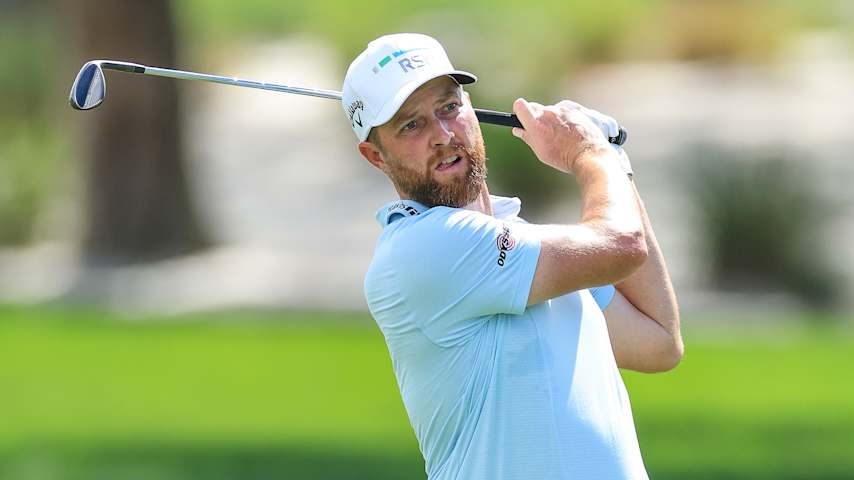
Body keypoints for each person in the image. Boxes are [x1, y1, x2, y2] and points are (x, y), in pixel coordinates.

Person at [342, 33, 683, 480]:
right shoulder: (422, 249)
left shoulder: (525, 247)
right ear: (375, 156)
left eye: (449, 107)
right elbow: (622, 244)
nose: (443, 136)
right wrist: (590, 153)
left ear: (471, 109)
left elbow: (658, 341)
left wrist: (615, 161)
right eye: (411, 125)